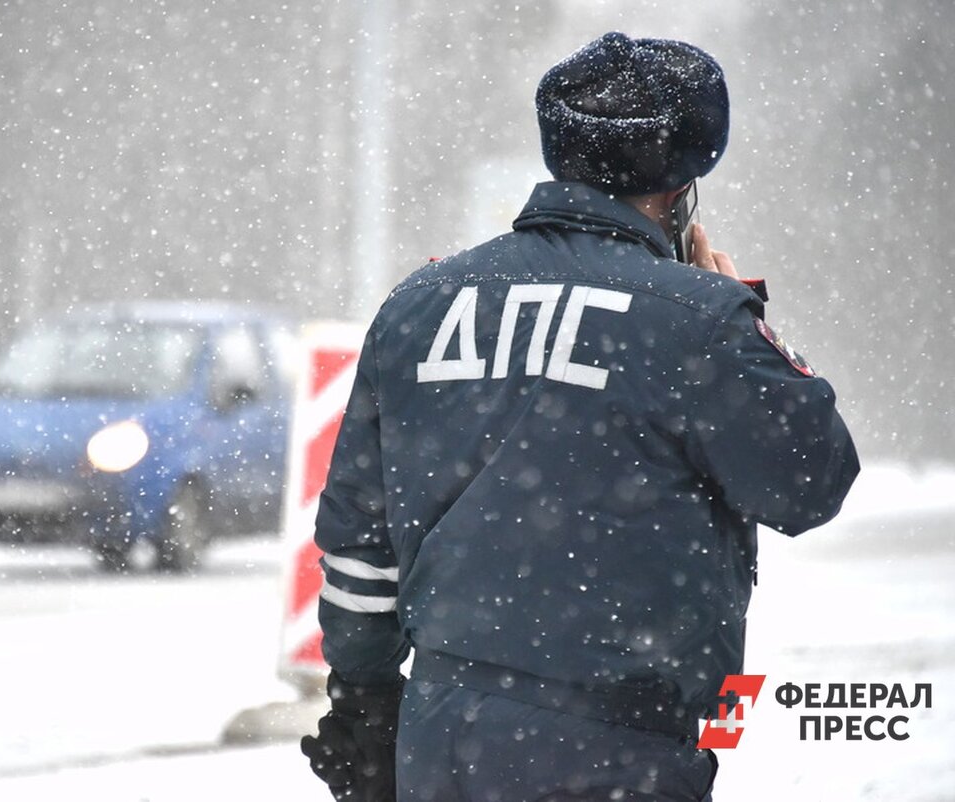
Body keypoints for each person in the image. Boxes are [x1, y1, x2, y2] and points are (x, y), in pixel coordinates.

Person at [301, 31, 860, 801]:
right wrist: (743, 320)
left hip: (442, 731)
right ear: (681, 189)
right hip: (618, 746)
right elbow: (810, 483)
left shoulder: (419, 306)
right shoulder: (696, 320)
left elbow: (361, 548)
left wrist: (363, 701)